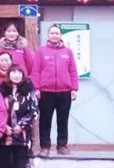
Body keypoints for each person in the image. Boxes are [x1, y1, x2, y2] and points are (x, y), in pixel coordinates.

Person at [32, 24, 79, 155]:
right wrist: (36, 88)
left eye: (57, 33)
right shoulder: (41, 51)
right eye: (52, 33)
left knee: (63, 120)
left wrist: (74, 89)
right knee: (45, 120)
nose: (54, 35)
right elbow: (35, 71)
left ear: (60, 35)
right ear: (48, 35)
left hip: (64, 92)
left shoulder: (68, 52)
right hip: (46, 91)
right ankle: (45, 147)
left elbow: (73, 71)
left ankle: (62, 145)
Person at [0, 65, 38, 168]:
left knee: (19, 160)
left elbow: (34, 111)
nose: (16, 75)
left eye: (19, 72)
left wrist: (20, 126)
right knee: (4, 159)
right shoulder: (1, 90)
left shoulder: (29, 90)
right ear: (8, 74)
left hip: (23, 132)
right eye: (13, 72)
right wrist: (4, 126)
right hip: (5, 131)